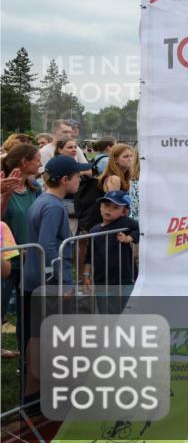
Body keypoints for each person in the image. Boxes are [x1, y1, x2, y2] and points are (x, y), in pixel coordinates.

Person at [21, 155, 91, 396]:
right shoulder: (53, 206)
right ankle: (37, 392)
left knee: (37, 336)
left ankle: (33, 392)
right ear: (64, 180)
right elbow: (48, 245)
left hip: (34, 279)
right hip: (47, 281)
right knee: (45, 338)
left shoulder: (42, 200)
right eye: (77, 178)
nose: (80, 182)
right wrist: (66, 282)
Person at [0, 144, 42, 359]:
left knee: (27, 314)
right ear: (24, 162)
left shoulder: (36, 188)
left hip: (31, 260)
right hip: (7, 261)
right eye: (37, 159)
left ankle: (27, 357)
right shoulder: (4, 186)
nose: (41, 163)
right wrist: (5, 195)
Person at [81, 191, 139, 312]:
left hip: (124, 281)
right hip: (102, 281)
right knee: (105, 313)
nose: (109, 210)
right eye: (106, 205)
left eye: (116, 207)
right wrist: (86, 275)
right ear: (100, 206)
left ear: (124, 211)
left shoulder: (124, 222)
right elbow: (89, 255)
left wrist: (128, 238)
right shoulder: (94, 230)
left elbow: (140, 229)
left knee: (126, 313)